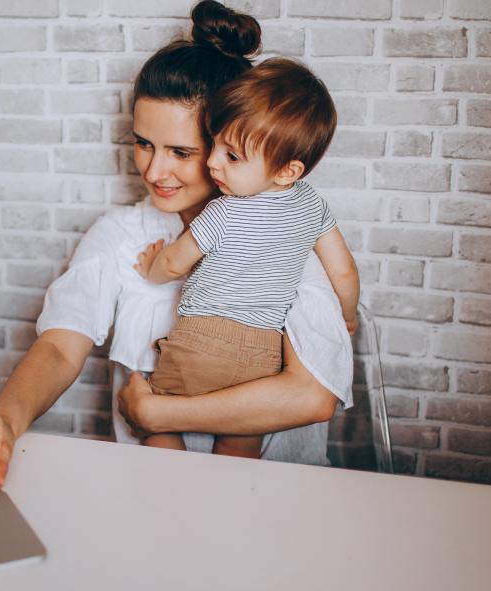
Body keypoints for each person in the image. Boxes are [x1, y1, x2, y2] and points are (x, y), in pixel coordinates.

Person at [0, 0, 356, 486]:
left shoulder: (283, 240)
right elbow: (62, 346)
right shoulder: (122, 233)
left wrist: (159, 416)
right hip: (152, 498)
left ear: (230, 145)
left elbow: (312, 396)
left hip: (280, 500)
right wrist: (7, 416)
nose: (153, 171)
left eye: (180, 152)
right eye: (144, 143)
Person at [133, 58, 358, 458]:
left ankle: (165, 484)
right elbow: (342, 270)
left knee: (155, 420)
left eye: (232, 156)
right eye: (215, 144)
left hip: (198, 344)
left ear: (288, 171)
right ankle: (229, 507)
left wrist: (150, 268)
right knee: (241, 442)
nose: (213, 161)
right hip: (262, 355)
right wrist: (349, 313)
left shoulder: (222, 212)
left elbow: (173, 264)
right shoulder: (312, 207)